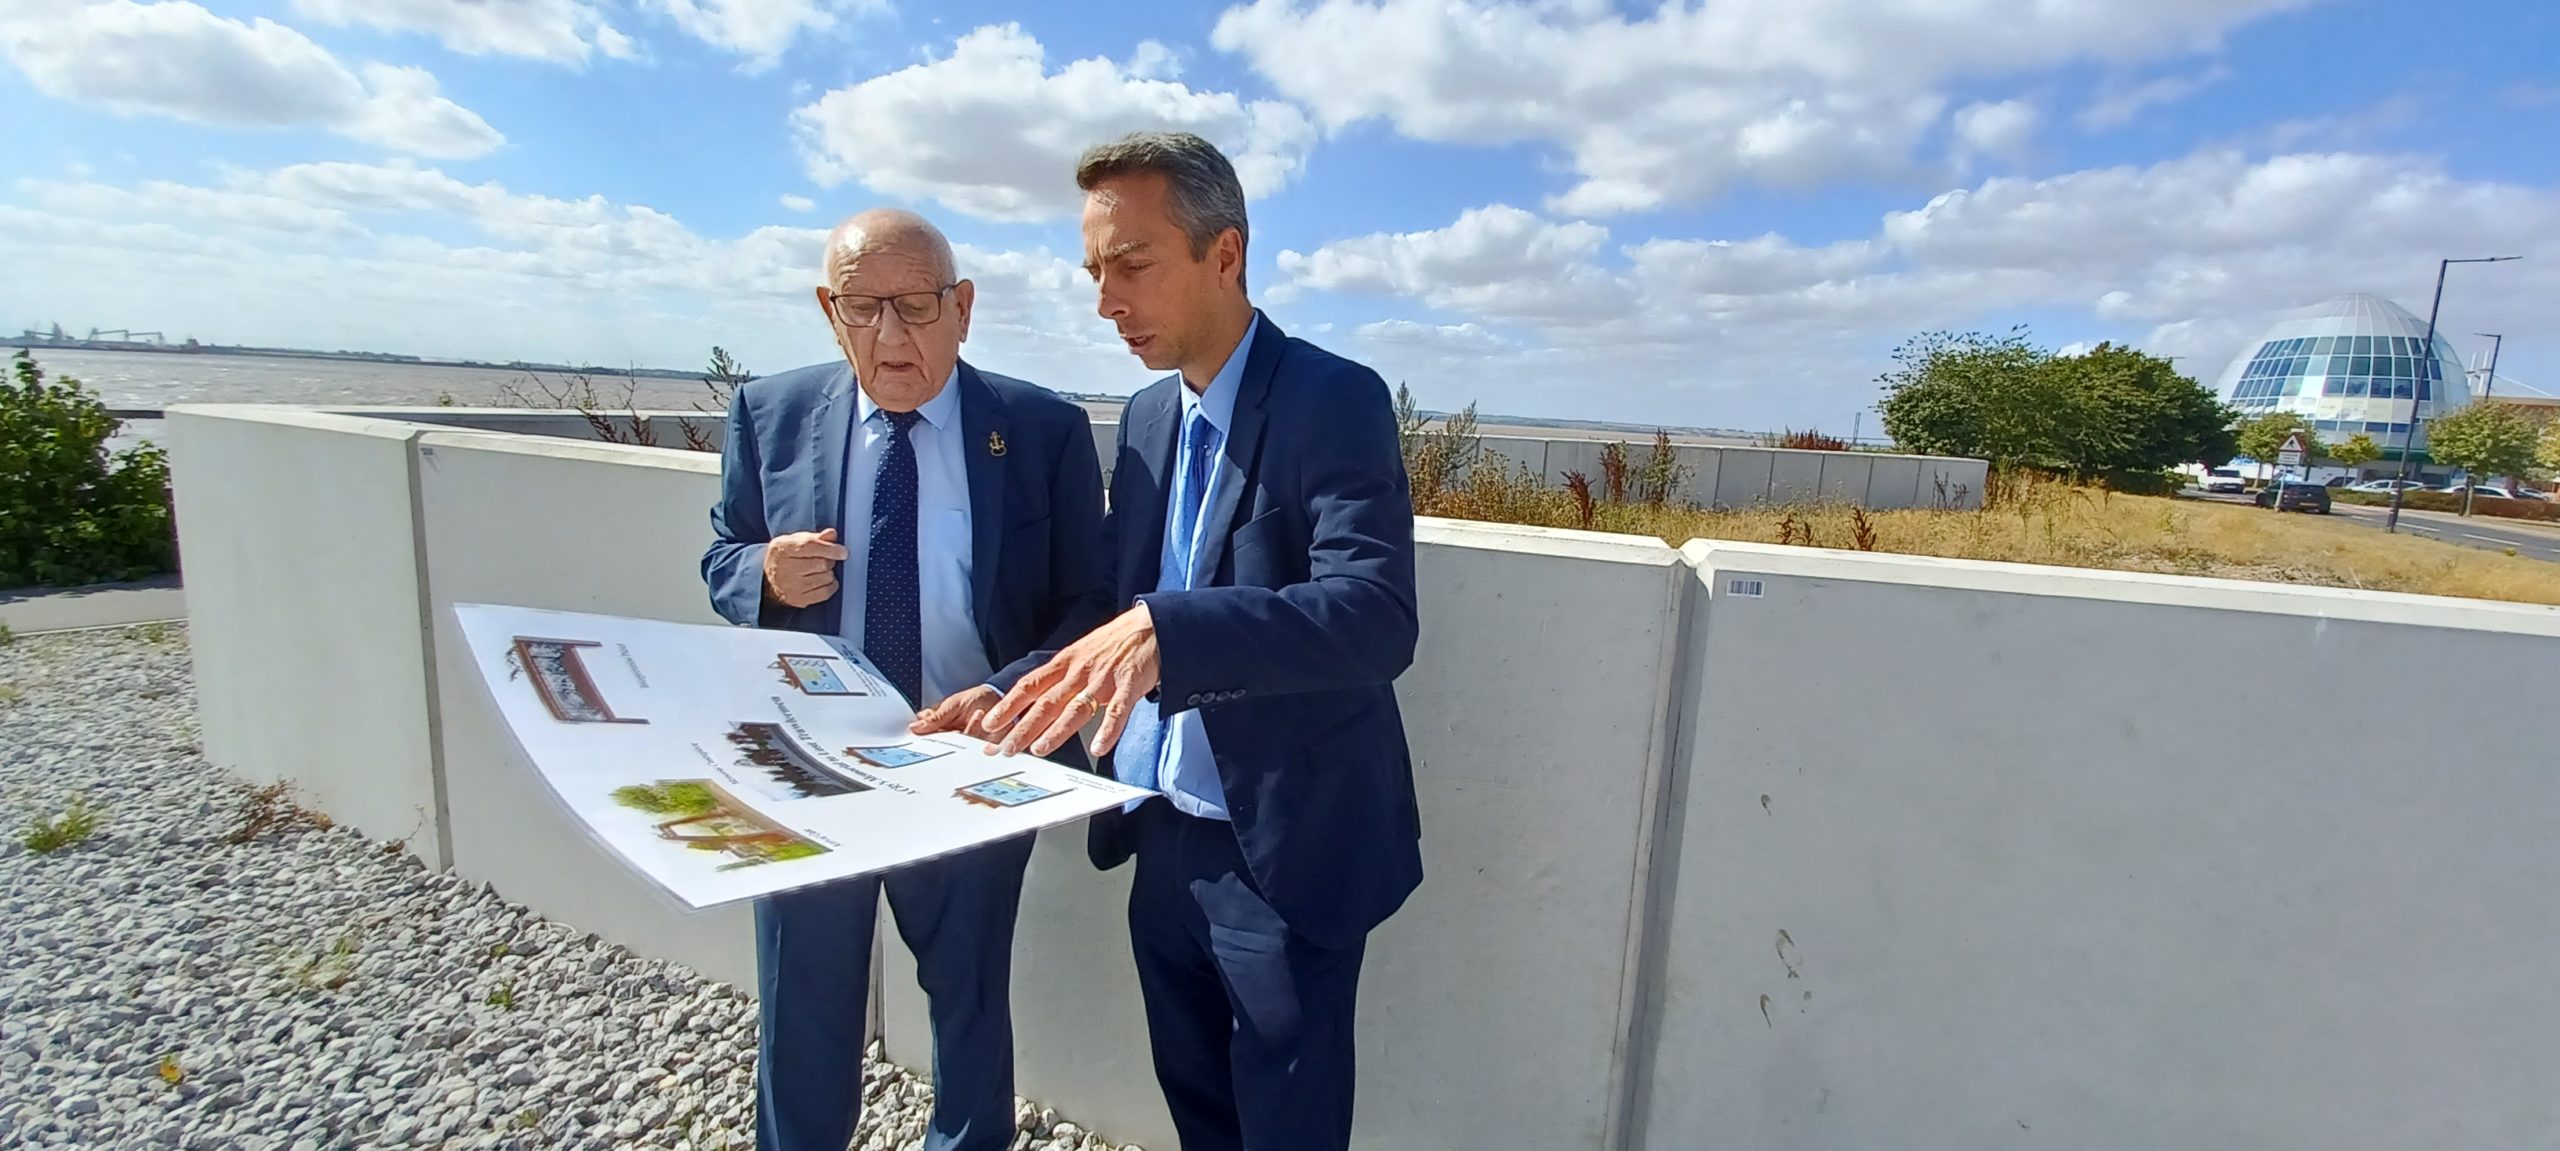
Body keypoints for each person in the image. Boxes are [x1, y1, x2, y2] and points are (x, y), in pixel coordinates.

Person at [967, 130, 1424, 1151]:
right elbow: (1112, 605)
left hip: (1282, 852)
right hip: (1159, 835)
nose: (1105, 302)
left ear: (1226, 254)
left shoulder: (1332, 398)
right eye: (1094, 270)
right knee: (1200, 1116)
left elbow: (1375, 613)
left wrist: (1172, 629)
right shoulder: (1144, 417)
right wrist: (1005, 693)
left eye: (1131, 265)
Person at [700, 208, 1107, 1151]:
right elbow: (722, 555)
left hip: (967, 761)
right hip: (810, 764)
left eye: (916, 306)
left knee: (969, 1001)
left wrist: (1004, 694)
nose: (890, 334)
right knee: (803, 1004)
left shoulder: (1040, 429)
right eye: (862, 307)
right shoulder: (769, 413)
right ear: (828, 310)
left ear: (962, 308)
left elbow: (1090, 601)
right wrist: (762, 573)